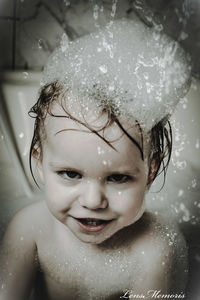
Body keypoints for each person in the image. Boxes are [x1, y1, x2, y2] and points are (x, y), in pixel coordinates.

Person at [0, 18, 191, 300]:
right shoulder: (29, 230)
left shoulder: (155, 248)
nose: (92, 201)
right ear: (40, 163)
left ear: (150, 172)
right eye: (70, 174)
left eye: (118, 177)